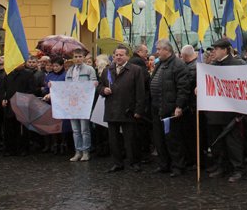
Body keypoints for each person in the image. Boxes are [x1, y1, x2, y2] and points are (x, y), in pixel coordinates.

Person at [98, 45, 145, 173]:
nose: (118, 57)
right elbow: (99, 87)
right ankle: (117, 163)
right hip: (112, 110)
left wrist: (138, 110)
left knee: (131, 140)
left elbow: (140, 92)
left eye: (121, 55)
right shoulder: (107, 70)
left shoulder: (136, 70)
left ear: (127, 56)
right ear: (113, 57)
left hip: (128, 110)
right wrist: (103, 90)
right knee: (114, 140)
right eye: (116, 55)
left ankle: (134, 162)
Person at [205, 38, 245, 182]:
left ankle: (238, 169)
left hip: (232, 111)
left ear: (225, 50)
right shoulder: (212, 65)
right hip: (215, 110)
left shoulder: (238, 64)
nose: (213, 51)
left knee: (233, 142)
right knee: (218, 141)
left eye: (216, 49)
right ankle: (221, 166)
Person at [150, 39, 190, 177]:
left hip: (170, 109)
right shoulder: (160, 63)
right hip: (157, 107)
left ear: (167, 50)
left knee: (173, 139)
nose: (157, 52)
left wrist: (179, 105)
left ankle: (178, 166)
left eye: (159, 49)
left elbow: (183, 88)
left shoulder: (178, 65)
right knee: (159, 139)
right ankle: (164, 164)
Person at [65, 48, 97, 162]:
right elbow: (65, 86)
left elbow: (93, 84)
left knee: (84, 129)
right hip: (73, 103)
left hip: (84, 103)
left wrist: (91, 85)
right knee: (75, 130)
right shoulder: (69, 70)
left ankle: (86, 151)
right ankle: (77, 151)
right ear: (73, 58)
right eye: (76, 57)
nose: (78, 59)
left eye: (80, 57)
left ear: (83, 57)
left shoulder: (89, 69)